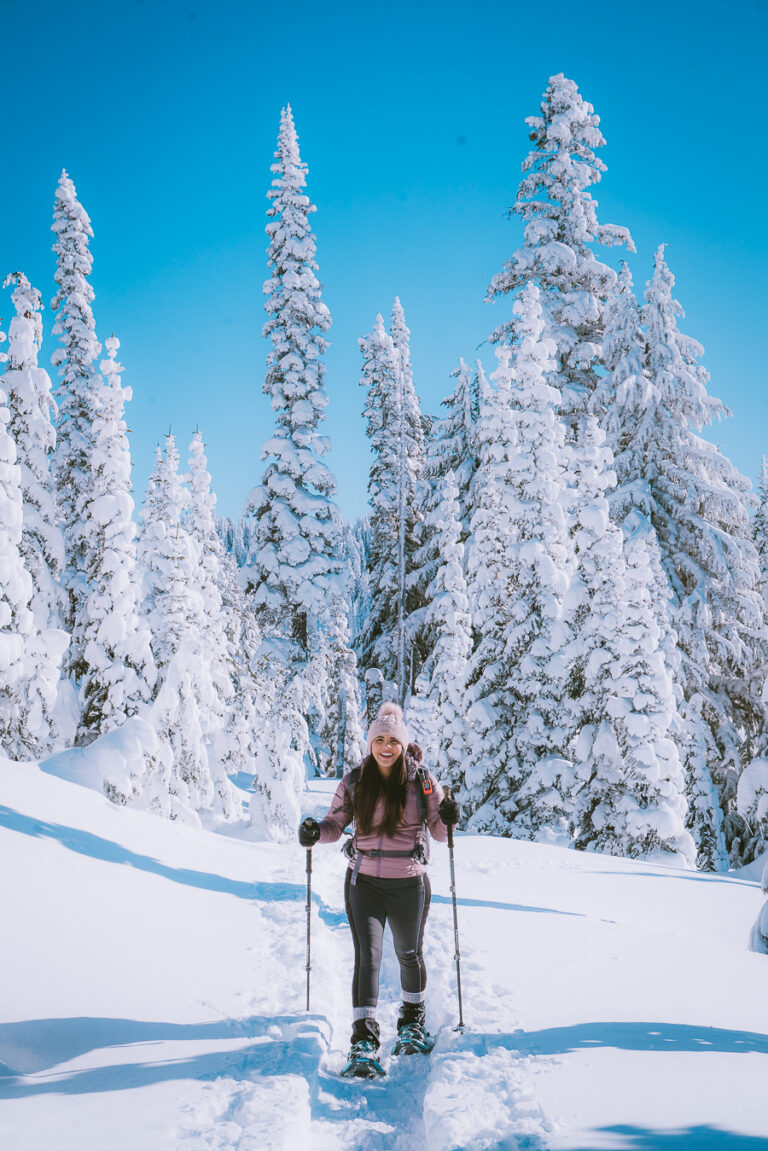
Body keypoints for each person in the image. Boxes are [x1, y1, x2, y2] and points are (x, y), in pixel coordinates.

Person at [298, 701, 460, 1077]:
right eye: (379, 740)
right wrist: (313, 833)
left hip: (409, 882)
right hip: (364, 883)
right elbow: (334, 825)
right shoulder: (356, 781)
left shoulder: (422, 780)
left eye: (393, 741)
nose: (386, 747)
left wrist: (450, 817)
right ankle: (364, 1041)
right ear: (370, 743)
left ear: (403, 744)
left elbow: (439, 828)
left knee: (408, 953)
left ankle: (412, 1024)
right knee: (368, 959)